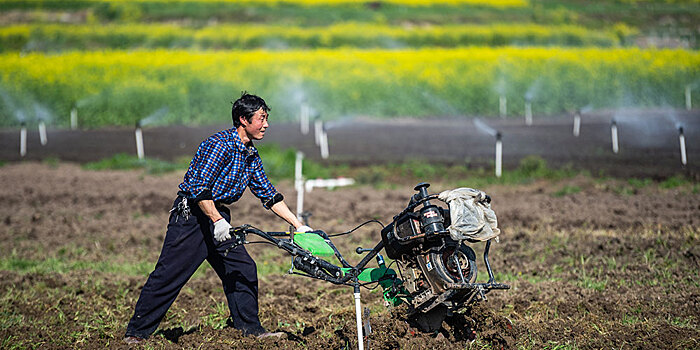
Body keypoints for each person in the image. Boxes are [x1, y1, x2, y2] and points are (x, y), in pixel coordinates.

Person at [124, 93, 311, 344]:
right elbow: (199, 187)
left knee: (242, 268)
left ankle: (250, 330)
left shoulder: (250, 155)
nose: (266, 125)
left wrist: (299, 226)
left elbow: (268, 194)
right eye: (261, 119)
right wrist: (216, 220)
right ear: (243, 120)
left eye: (266, 118)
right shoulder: (219, 145)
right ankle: (136, 334)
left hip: (218, 217)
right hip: (193, 216)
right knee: (170, 274)